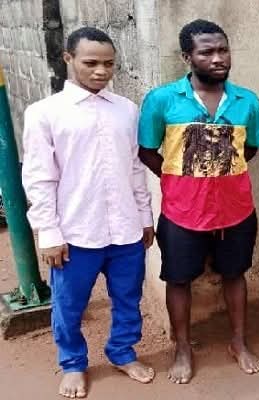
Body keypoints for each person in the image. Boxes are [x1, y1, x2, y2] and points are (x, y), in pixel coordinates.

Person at [22, 27, 155, 399]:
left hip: (126, 228)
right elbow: (39, 178)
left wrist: (145, 216)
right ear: (68, 59)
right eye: (91, 62)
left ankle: (122, 352)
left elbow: (135, 168)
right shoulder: (45, 113)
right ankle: (73, 363)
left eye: (109, 64)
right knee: (69, 304)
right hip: (75, 232)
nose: (101, 71)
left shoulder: (126, 110)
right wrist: (48, 233)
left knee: (128, 298)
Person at [138, 19, 259, 382]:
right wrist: (180, 180)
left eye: (223, 50)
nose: (218, 58)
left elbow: (251, 148)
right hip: (182, 212)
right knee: (178, 279)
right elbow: (146, 150)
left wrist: (218, 174)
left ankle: (238, 342)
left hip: (236, 209)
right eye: (206, 52)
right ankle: (182, 348)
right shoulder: (162, 100)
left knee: (234, 274)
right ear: (187, 57)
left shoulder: (246, 101)